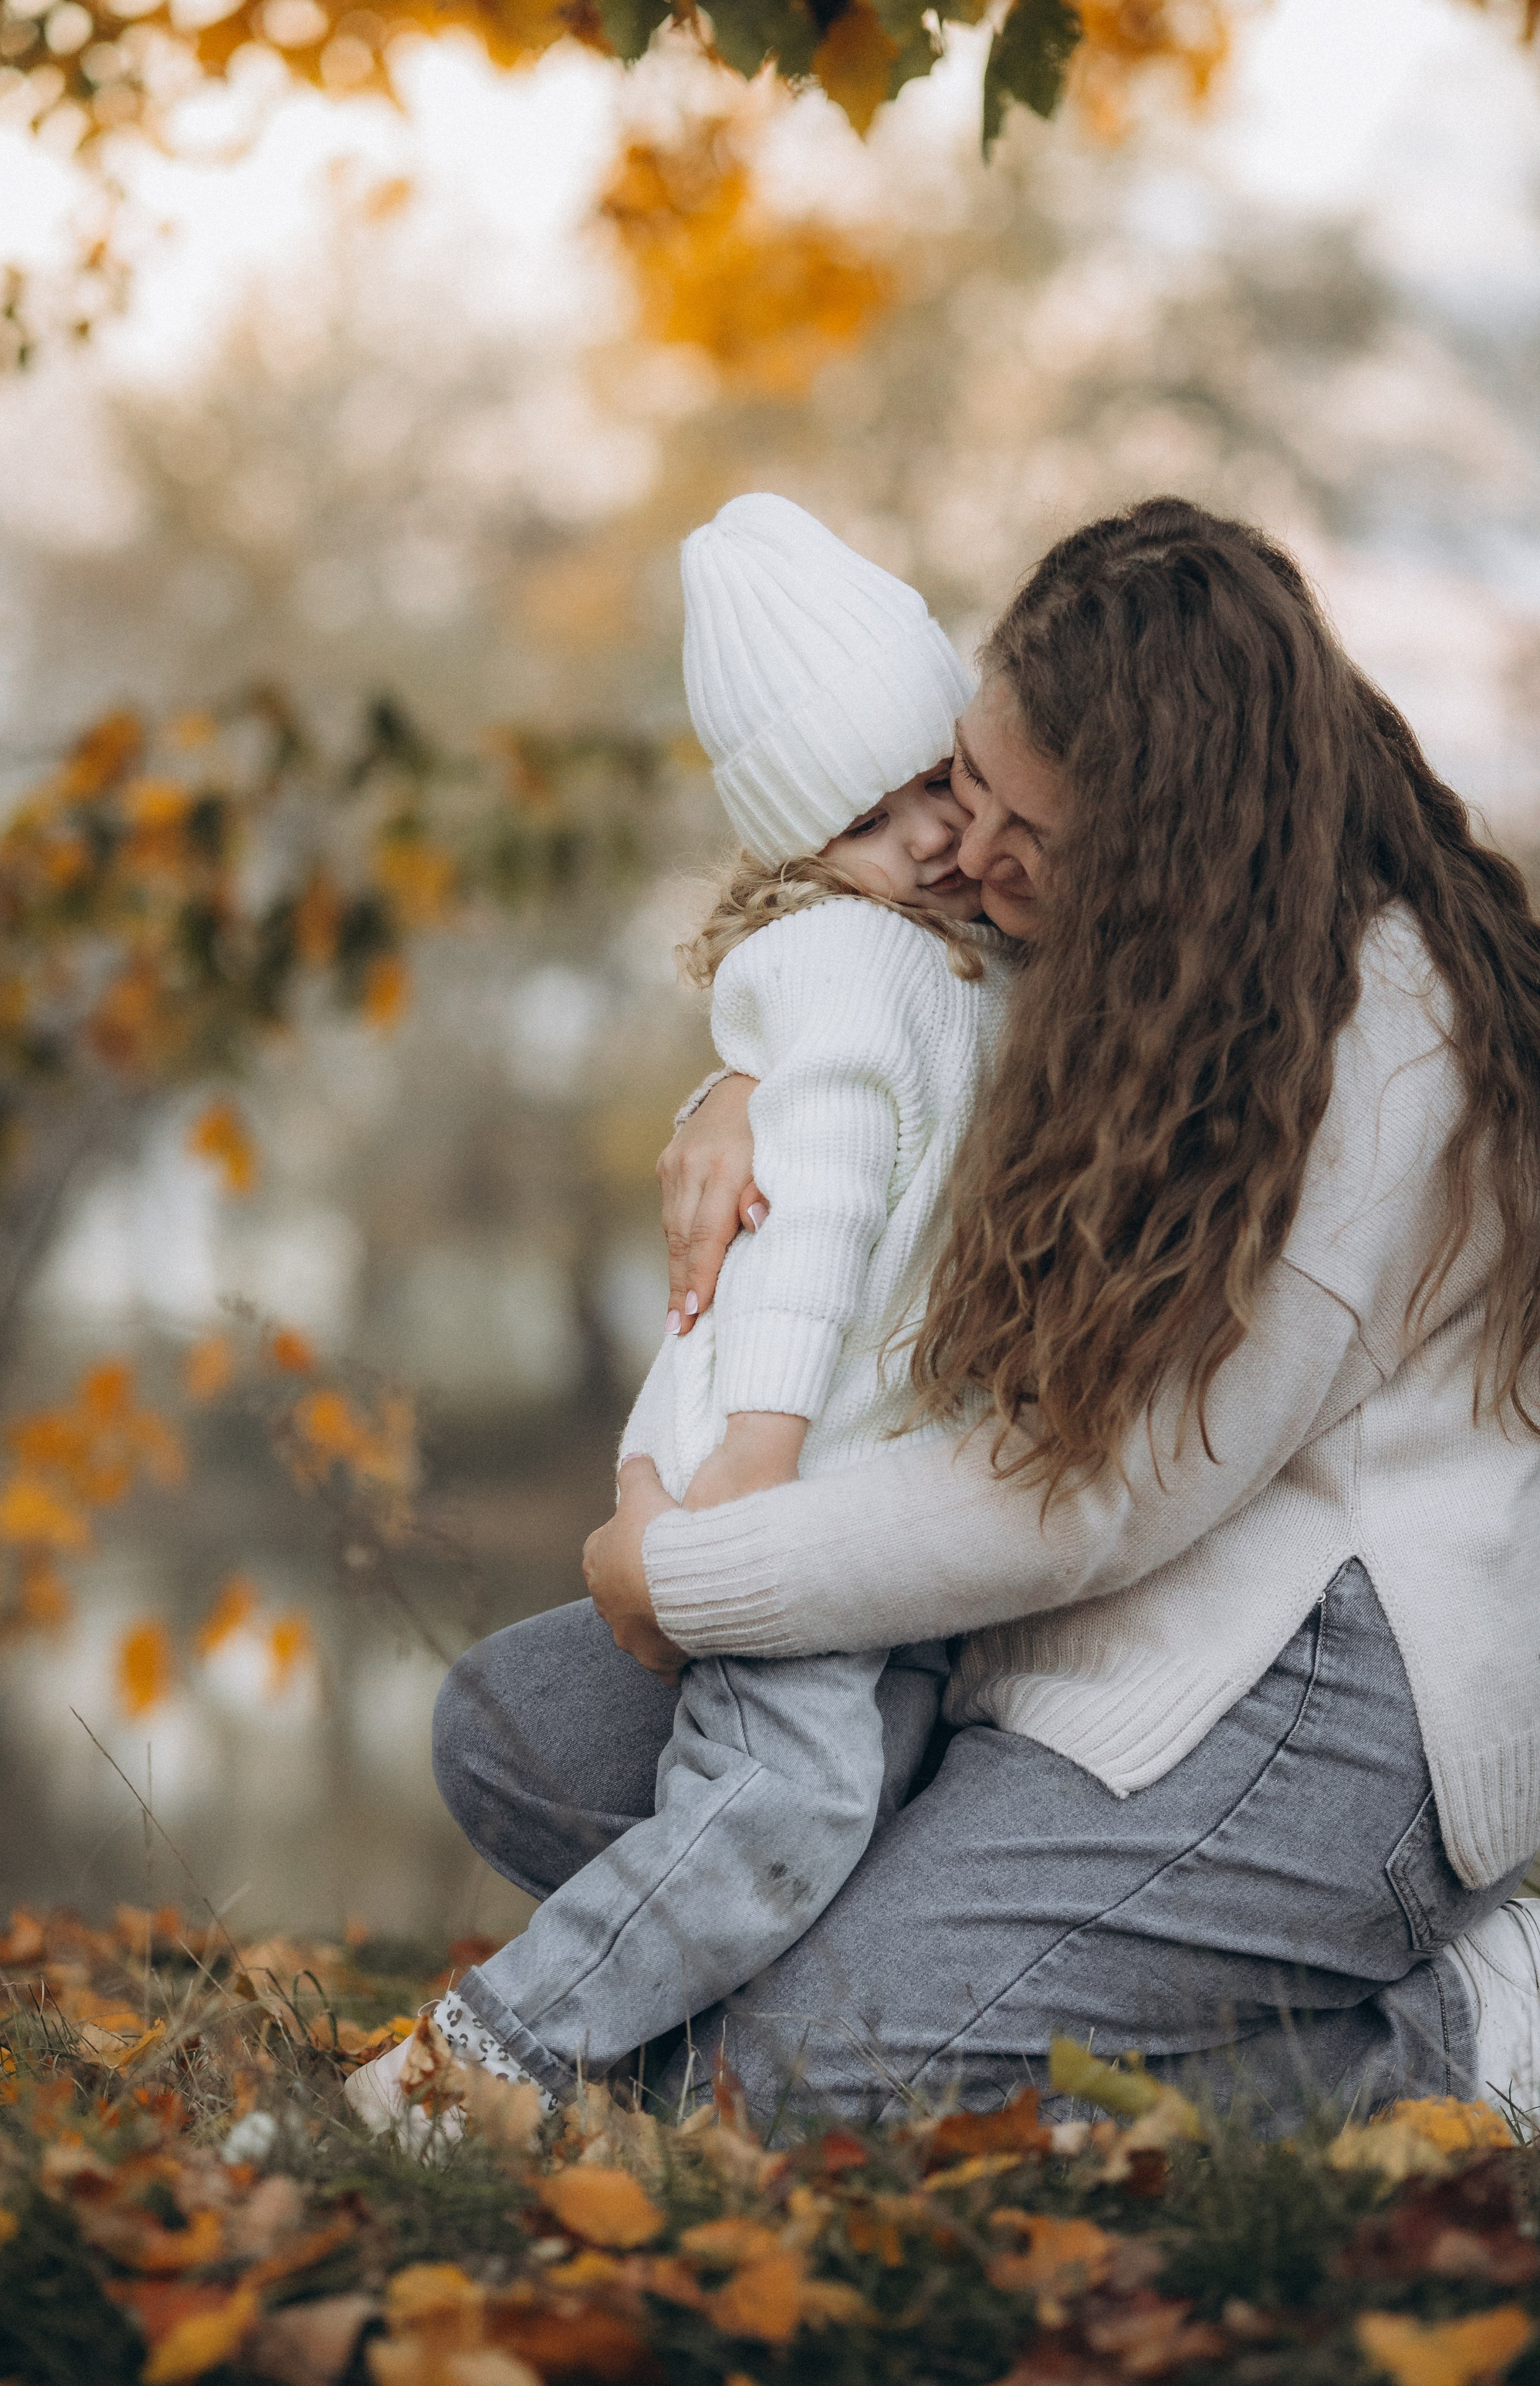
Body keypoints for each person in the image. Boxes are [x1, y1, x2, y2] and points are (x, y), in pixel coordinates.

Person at [439, 496, 1540, 2135]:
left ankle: (1465, 2028)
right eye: (967, 780)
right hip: (1060, 1620)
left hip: (1318, 1684)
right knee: (522, 1733)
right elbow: (902, 1051)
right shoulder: (1143, 955)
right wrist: (745, 1085)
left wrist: (693, 1573)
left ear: (1168, 838)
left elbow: (1095, 1499)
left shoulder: (1382, 1058)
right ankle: (916, 1986)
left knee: (795, 2077)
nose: (967, 852)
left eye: (1032, 831)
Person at [349, 493, 1014, 2133]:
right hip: (783, 1472)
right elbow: (818, 1222)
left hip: (864, 1489)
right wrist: (756, 1472)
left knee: (839, 1809)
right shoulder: (859, 960)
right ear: (803, 852)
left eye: (940, 784)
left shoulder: (949, 957)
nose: (928, 838)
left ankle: (656, 2079)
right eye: (869, 820)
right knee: (781, 1803)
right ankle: (479, 2060)